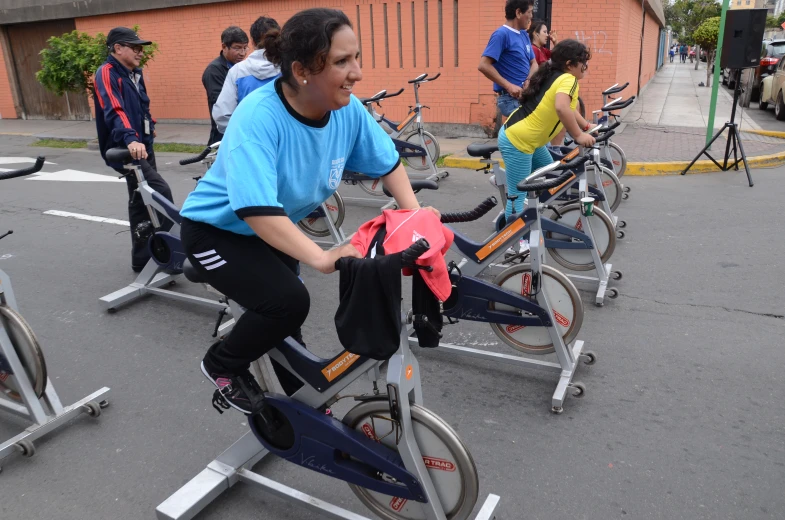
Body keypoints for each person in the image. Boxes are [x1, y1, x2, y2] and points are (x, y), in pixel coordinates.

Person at [179, 8, 440, 415]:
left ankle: (302, 401)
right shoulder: (258, 117)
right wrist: (322, 256)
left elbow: (387, 163)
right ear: (301, 70)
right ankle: (222, 363)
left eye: (356, 58)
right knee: (288, 302)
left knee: (287, 327)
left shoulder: (347, 110)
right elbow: (256, 210)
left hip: (274, 228)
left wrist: (416, 221)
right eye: (341, 62)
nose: (356, 73)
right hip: (218, 232)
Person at [498, 39, 595, 252]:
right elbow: (562, 108)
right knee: (517, 193)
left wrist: (586, 125)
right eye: (583, 63)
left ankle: (531, 214)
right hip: (519, 142)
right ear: (570, 64)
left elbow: (570, 109)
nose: (585, 68)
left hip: (530, 141)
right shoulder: (568, 79)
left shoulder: (557, 76)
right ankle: (515, 243)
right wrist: (578, 135)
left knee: (550, 175)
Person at [94, 27, 174, 272]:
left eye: (141, 48)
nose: (141, 52)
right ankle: (172, 251)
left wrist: (150, 129)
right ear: (118, 48)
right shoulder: (107, 73)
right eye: (135, 47)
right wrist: (130, 138)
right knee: (160, 193)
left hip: (142, 146)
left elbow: (142, 108)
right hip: (127, 148)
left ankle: (144, 258)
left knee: (141, 200)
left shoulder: (133, 74)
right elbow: (114, 109)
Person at [212, 16, 281, 134]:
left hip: (249, 141)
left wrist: (243, 134)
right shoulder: (294, 68)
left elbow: (222, 115)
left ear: (252, 42)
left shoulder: (238, 71)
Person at [478, 0, 538, 123]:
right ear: (518, 13)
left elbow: (534, 63)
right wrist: (509, 86)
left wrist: (528, 79)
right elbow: (483, 65)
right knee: (533, 136)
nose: (531, 17)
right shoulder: (501, 34)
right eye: (529, 12)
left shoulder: (524, 34)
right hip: (510, 100)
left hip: (525, 97)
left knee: (541, 135)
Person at [202, 26, 249, 146]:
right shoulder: (214, 70)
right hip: (223, 134)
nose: (242, 53)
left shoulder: (243, 67)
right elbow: (220, 104)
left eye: (245, 48)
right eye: (237, 48)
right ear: (224, 47)